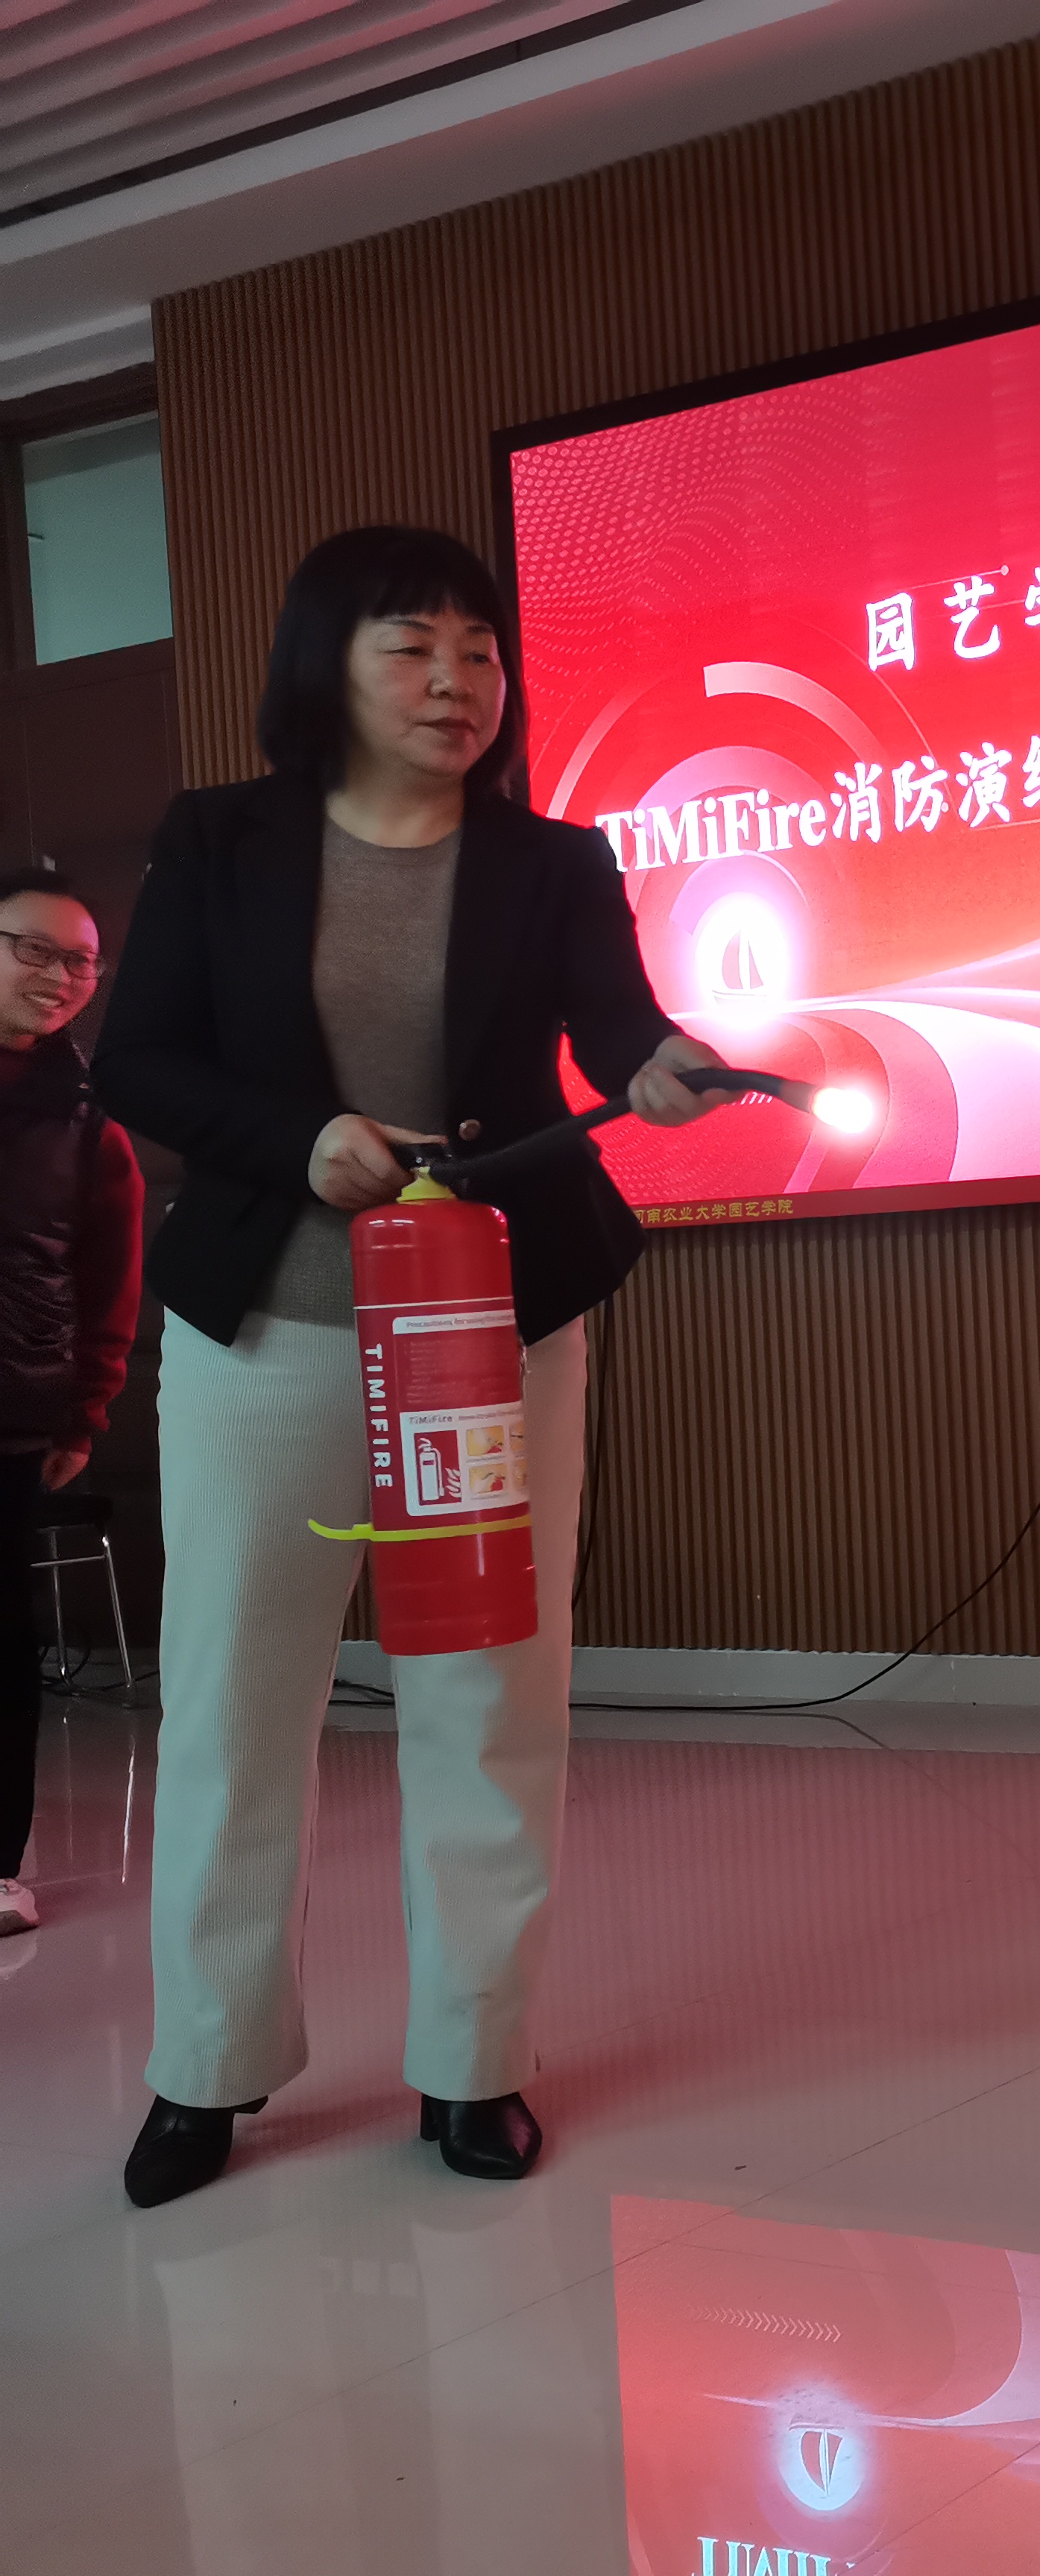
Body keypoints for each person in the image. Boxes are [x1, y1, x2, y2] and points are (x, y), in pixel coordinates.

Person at [93, 525, 724, 2207]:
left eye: (480, 651)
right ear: (329, 663)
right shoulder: (218, 841)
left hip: (489, 1326)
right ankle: (207, 2065)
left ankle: (474, 2059)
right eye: (413, 647)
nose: (457, 682)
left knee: (490, 1691)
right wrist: (298, 1138)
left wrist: (664, 1064)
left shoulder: (553, 861)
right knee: (235, 1698)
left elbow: (615, 1026)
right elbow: (141, 1060)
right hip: (270, 1325)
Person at [0, 866, 145, 1938]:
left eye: (80, 961)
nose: (57, 976)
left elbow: (109, 1283)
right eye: (32, 949)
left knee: (1, 1647)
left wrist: (87, 1412)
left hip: (12, 1411)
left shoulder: (91, 1120)